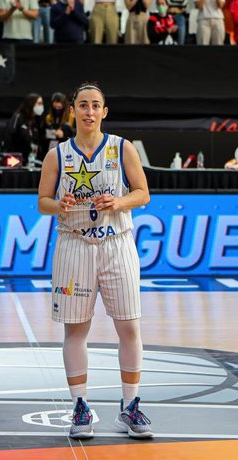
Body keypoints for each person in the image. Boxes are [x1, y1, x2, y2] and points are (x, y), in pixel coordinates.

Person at [37, 82, 152, 440]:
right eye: (83, 105)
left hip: (117, 243)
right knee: (75, 329)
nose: (89, 111)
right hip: (74, 244)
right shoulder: (57, 154)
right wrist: (61, 205)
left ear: (104, 112)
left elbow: (143, 194)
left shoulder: (122, 148)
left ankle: (130, 406)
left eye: (95, 105)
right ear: (72, 111)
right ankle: (81, 406)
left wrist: (118, 202)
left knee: (129, 327)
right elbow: (42, 201)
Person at [3, 93, 44, 165]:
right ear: (31, 104)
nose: (41, 106)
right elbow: (8, 137)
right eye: (39, 103)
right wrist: (12, 159)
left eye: (42, 104)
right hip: (14, 160)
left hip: (29, 160)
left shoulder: (36, 121)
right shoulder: (18, 117)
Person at [39, 92, 74, 159]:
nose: (57, 109)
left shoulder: (71, 115)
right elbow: (43, 132)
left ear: (64, 105)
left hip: (66, 148)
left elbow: (73, 132)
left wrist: (63, 134)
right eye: (55, 107)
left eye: (59, 107)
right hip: (51, 147)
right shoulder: (49, 117)